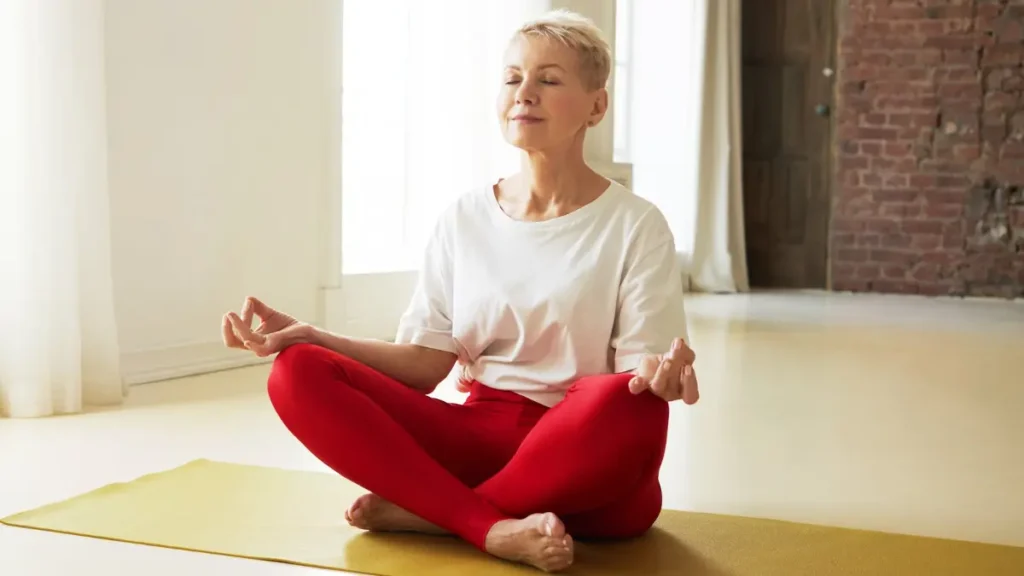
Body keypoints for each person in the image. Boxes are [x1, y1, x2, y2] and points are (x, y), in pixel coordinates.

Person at [221, 9, 699, 573]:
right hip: (477, 437)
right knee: (296, 371)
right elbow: (426, 365)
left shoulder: (636, 223)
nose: (525, 93)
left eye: (548, 79)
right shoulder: (464, 218)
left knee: (626, 402)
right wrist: (312, 336)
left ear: (596, 106)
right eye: (512, 78)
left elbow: (639, 372)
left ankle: (437, 514)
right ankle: (490, 525)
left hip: (585, 460)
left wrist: (659, 377)